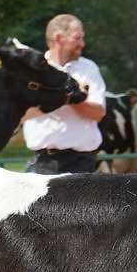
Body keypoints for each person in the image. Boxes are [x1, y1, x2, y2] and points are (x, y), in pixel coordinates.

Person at [21, 13, 108, 174]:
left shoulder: (89, 68)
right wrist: (57, 97)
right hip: (42, 164)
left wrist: (72, 98)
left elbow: (98, 113)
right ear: (59, 38)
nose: (82, 44)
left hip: (81, 164)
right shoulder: (32, 69)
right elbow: (21, 114)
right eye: (77, 38)